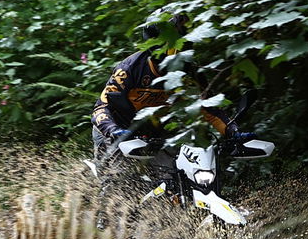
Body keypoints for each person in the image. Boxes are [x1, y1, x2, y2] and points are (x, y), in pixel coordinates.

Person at [90, 18, 229, 169]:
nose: (178, 53)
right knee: (119, 176)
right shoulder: (128, 69)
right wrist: (113, 130)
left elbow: (208, 106)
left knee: (176, 172)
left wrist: (232, 132)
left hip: (155, 133)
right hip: (117, 129)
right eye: (173, 46)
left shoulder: (188, 71)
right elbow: (101, 108)